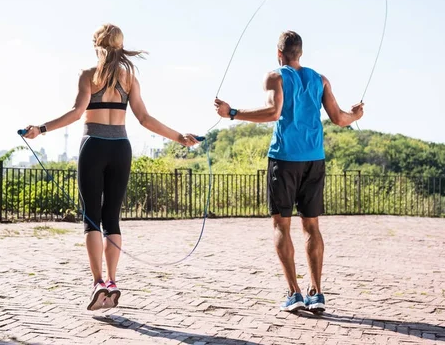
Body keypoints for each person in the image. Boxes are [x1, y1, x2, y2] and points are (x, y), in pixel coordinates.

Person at [21, 23, 199, 311]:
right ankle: (113, 282)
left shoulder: (89, 76)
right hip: (121, 149)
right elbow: (145, 118)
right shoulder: (129, 79)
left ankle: (98, 283)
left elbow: (77, 113)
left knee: (92, 218)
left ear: (97, 45)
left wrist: (40, 129)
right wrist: (179, 137)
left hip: (93, 145)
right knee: (112, 218)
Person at [214, 30, 364, 313]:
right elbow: (340, 118)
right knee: (312, 226)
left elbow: (273, 112)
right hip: (314, 160)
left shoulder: (275, 75)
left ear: (279, 53)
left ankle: (294, 293)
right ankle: (317, 293)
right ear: (301, 53)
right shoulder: (320, 80)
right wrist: (356, 115)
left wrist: (231, 112)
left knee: (281, 225)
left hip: (284, 159)